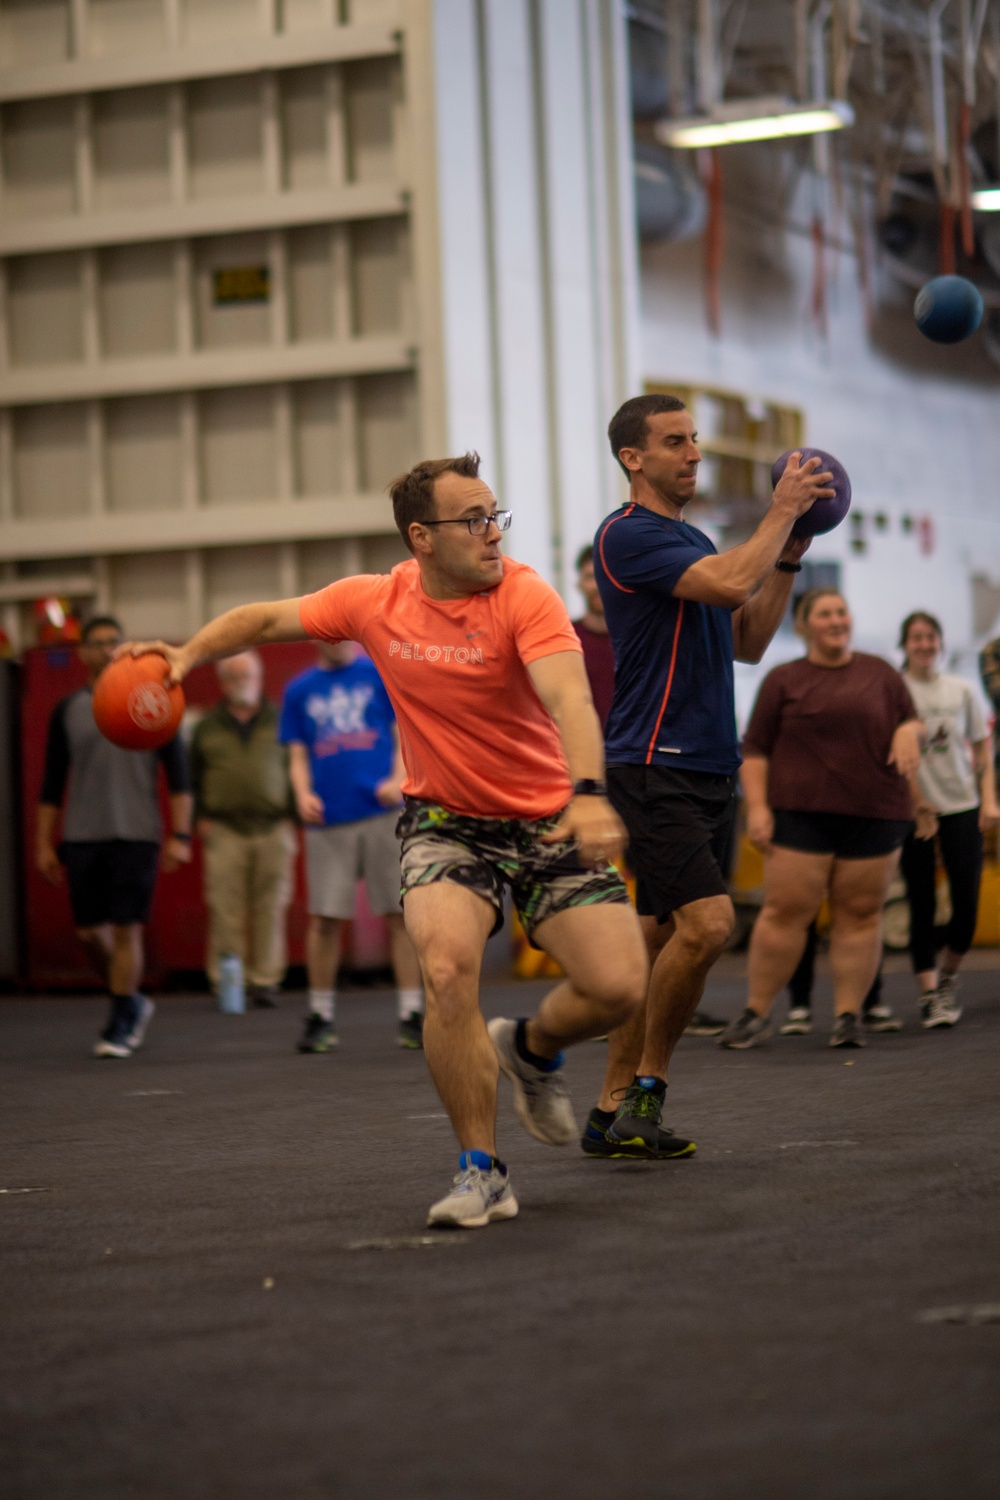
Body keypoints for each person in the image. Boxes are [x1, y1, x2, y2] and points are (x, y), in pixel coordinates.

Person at [123, 452, 647, 1228]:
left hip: (546, 814)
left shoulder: (525, 596)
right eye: (472, 520)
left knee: (618, 988)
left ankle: (531, 1048)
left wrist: (591, 791)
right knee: (443, 967)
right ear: (421, 537)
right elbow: (266, 619)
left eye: (495, 515)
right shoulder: (375, 602)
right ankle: (482, 1172)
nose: (492, 533)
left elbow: (569, 697)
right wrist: (187, 655)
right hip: (444, 819)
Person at [587, 392, 833, 1156]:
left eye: (694, 439)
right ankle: (647, 1096)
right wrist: (782, 512)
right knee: (710, 925)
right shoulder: (628, 537)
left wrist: (789, 553)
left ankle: (607, 1112)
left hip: (706, 767)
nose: (694, 453)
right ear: (634, 458)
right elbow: (730, 585)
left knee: (663, 938)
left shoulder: (692, 539)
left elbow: (750, 638)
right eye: (675, 442)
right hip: (652, 761)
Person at [720, 589, 922, 1049]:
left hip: (876, 813)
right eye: (825, 614)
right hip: (800, 815)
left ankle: (848, 1016)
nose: (836, 621)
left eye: (841, 612)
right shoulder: (783, 679)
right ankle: (755, 1013)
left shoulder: (881, 673)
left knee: (860, 915)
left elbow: (910, 720)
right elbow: (754, 750)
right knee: (784, 913)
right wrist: (759, 812)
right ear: (804, 623)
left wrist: (911, 731)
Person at [36, 615, 192, 1058]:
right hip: (82, 833)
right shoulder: (67, 710)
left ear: (123, 648)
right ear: (83, 651)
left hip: (136, 832)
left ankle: (122, 1017)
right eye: (97, 643)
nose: (106, 649)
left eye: (113, 642)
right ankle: (131, 998)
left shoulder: (153, 699)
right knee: (89, 934)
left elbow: (179, 778)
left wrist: (179, 834)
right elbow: (51, 785)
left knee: (126, 930)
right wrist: (43, 843)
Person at [279, 640, 425, 1052]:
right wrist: (302, 793)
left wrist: (398, 777)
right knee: (324, 919)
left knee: (399, 914)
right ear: (314, 637)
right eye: (328, 633)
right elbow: (297, 754)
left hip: (382, 813)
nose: (336, 640)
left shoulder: (378, 673)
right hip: (328, 818)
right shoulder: (299, 689)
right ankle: (320, 1015)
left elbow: (405, 735)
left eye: (343, 632)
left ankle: (412, 1013)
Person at [898, 610, 998, 1026]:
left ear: (940, 643)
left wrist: (988, 800)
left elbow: (981, 749)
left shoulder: (961, 690)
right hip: (913, 811)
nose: (924, 644)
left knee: (966, 907)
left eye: (931, 637)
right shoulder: (896, 691)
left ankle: (948, 978)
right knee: (920, 904)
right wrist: (914, 803)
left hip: (962, 805)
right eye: (916, 638)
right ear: (905, 645)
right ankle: (928, 997)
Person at [190, 650, 296, 1008]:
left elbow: (296, 768)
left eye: (247, 675)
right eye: (234, 677)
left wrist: (294, 817)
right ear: (222, 683)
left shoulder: (280, 719)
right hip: (223, 829)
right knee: (225, 909)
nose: (242, 682)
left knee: (271, 907)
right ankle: (227, 982)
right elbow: (191, 776)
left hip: (273, 827)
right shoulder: (206, 726)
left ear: (260, 677)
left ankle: (265, 980)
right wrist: (198, 818)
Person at [571, 545, 615, 730]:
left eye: (604, 577)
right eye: (590, 577)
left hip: (629, 752)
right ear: (579, 584)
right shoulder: (566, 638)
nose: (598, 585)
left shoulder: (636, 641)